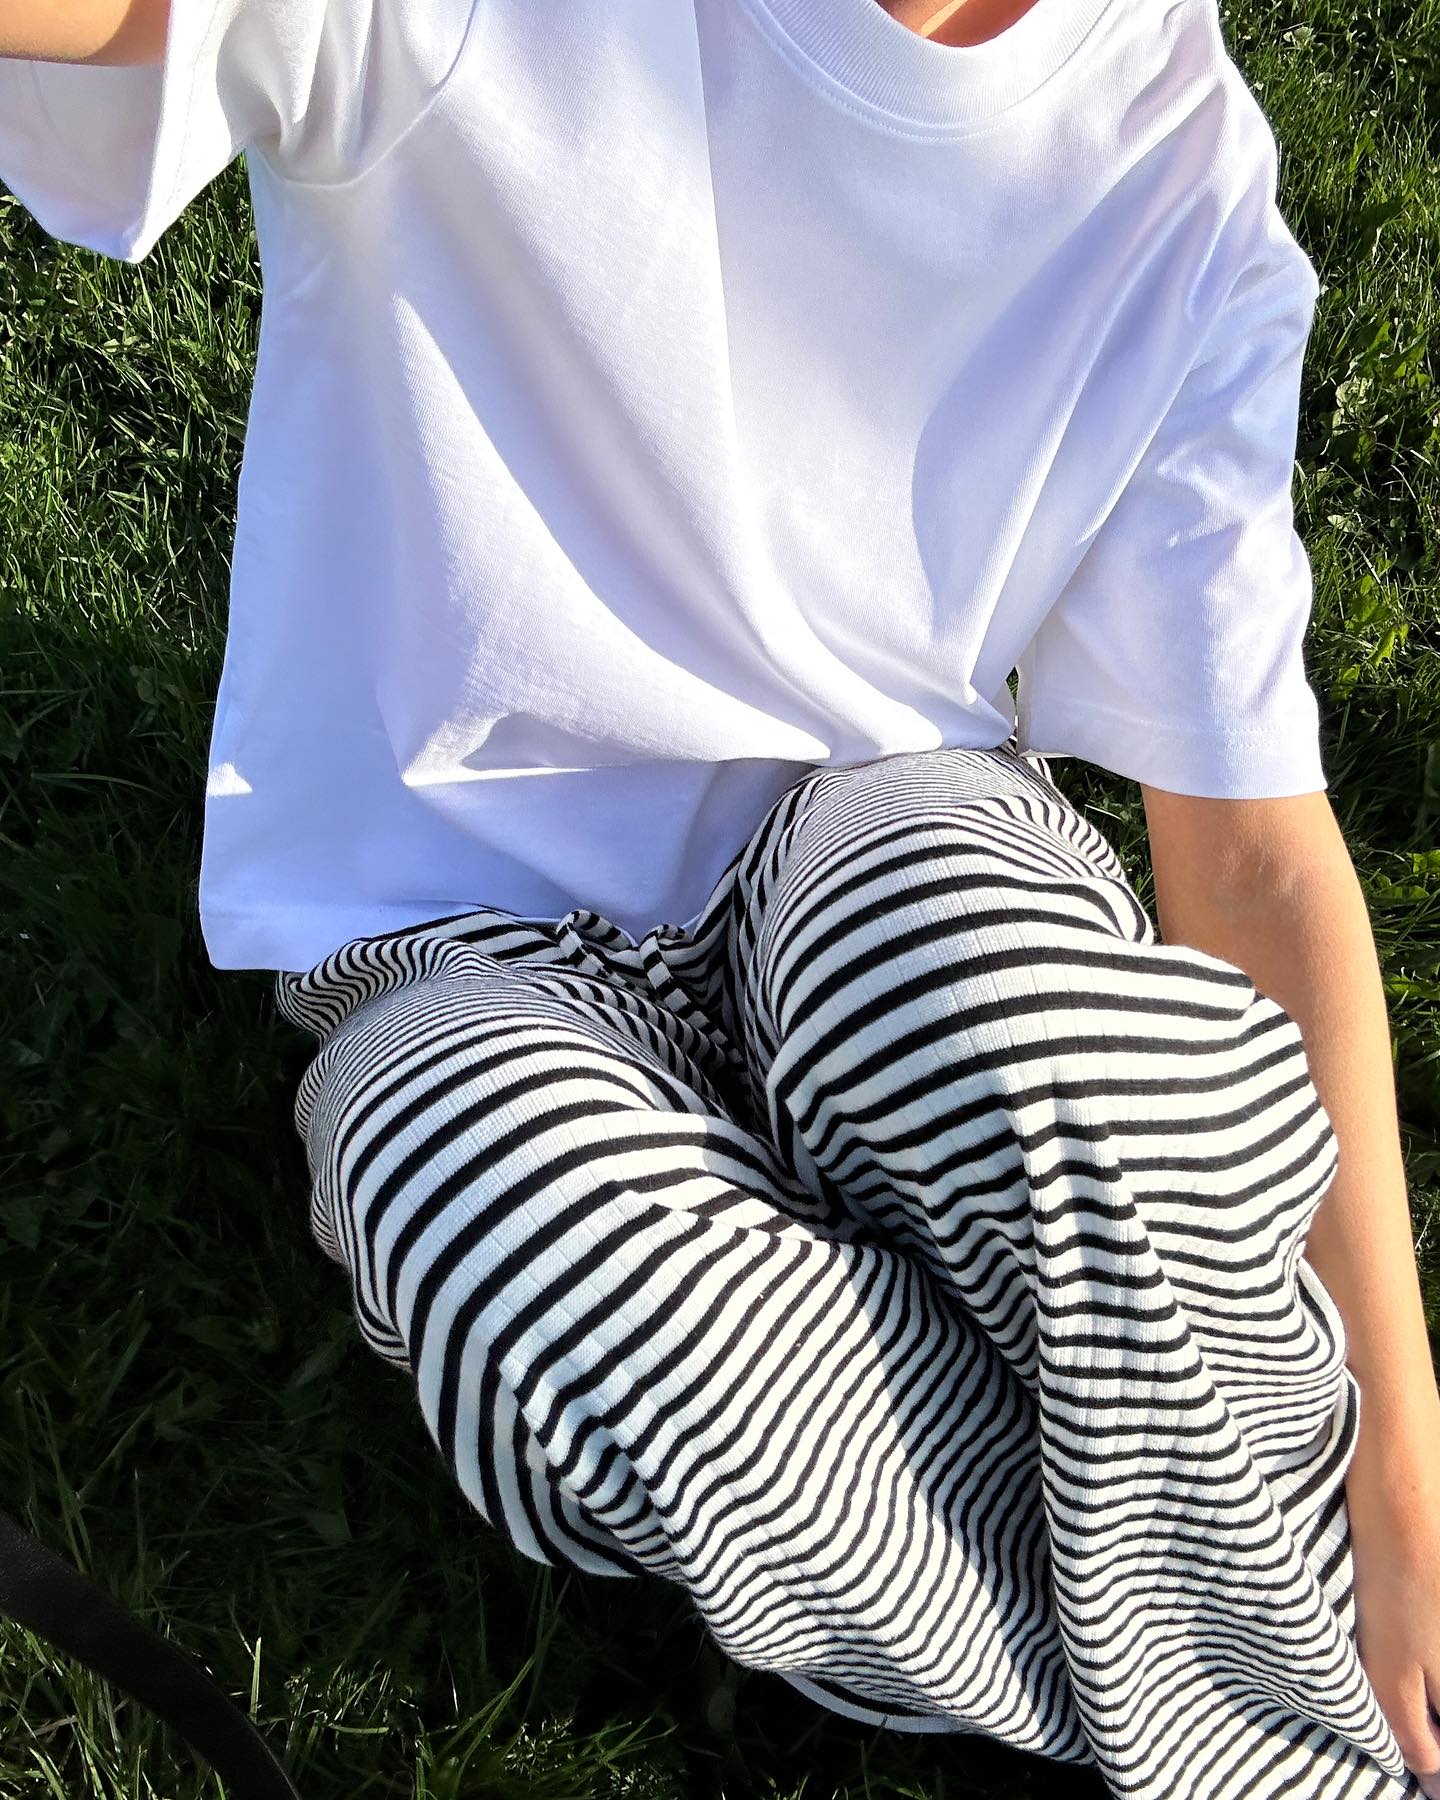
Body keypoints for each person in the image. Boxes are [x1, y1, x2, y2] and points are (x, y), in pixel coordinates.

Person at [2, 1, 1437, 1794]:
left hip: (875, 838)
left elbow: (1252, 848)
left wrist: (1402, 1434)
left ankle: (1251, 1637)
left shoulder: (1178, 170)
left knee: (1020, 1024)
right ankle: (1267, 1709)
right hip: (462, 939)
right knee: (508, 1223)